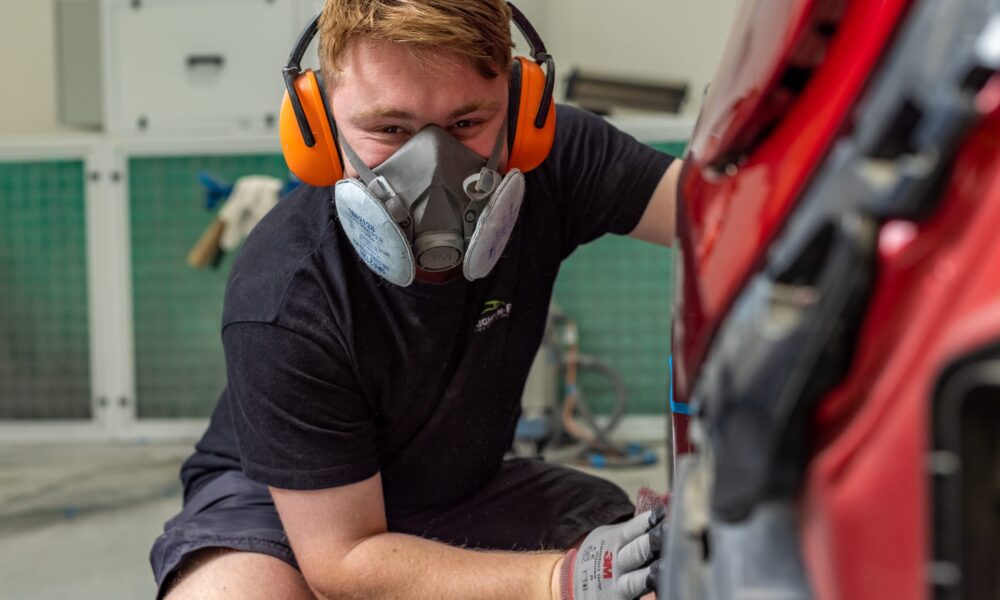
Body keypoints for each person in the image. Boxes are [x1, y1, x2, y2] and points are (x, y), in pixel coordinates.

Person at [150, 1, 682, 598]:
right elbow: (343, 557)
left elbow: (724, 218)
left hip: (458, 489)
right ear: (319, 133)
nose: (433, 168)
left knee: (651, 567)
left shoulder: (556, 160)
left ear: (523, 112)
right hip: (284, 505)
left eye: (466, 124)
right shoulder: (283, 291)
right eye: (389, 130)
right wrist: (552, 580)